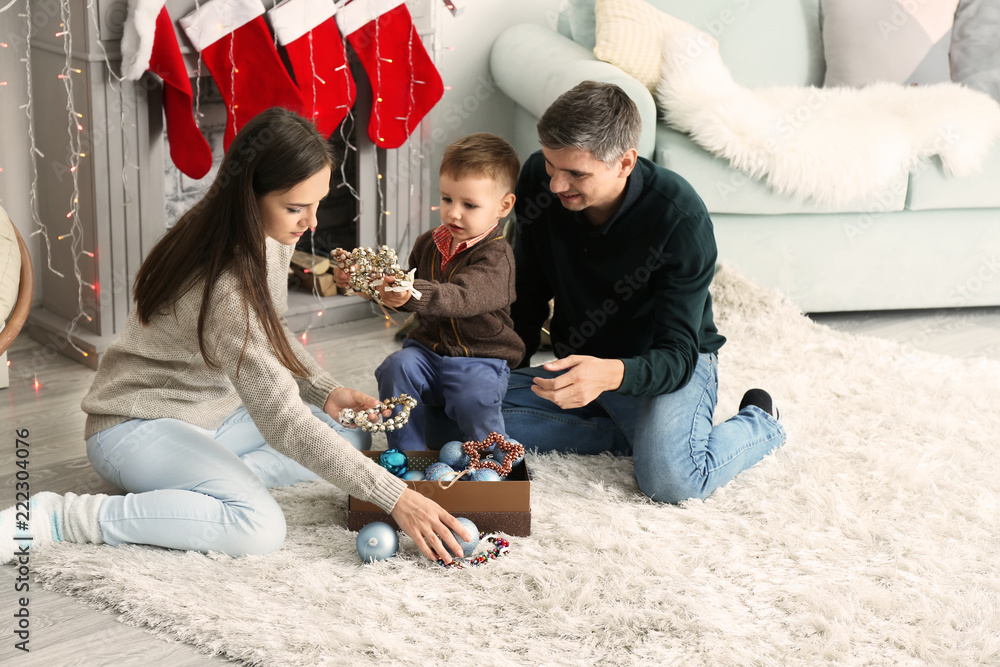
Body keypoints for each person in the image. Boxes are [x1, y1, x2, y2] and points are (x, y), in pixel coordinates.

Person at [0, 108, 470, 565]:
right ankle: (60, 518)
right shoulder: (223, 283)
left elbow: (271, 332)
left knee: (349, 436)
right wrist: (397, 499)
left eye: (318, 204)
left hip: (215, 415)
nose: (310, 223)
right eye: (295, 208)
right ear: (251, 195)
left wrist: (326, 391)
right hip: (136, 425)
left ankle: (203, 484)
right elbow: (282, 421)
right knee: (258, 527)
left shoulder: (265, 234)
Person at [502, 81, 786, 503]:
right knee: (459, 413)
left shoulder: (680, 218)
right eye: (550, 165)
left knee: (673, 481)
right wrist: (502, 377)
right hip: (584, 360)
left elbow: (679, 354)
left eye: (576, 173)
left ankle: (760, 421)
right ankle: (637, 433)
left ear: (625, 163)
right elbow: (525, 295)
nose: (556, 185)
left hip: (666, 364)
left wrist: (611, 373)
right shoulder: (536, 181)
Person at [336, 133, 525, 451]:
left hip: (479, 358)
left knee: (472, 396)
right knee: (396, 367)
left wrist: (410, 292)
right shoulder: (429, 243)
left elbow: (461, 297)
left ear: (503, 206)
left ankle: (492, 457)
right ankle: (407, 453)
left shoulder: (497, 257)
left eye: (469, 205)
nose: (454, 213)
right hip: (428, 353)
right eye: (447, 199)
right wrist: (373, 287)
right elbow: (409, 302)